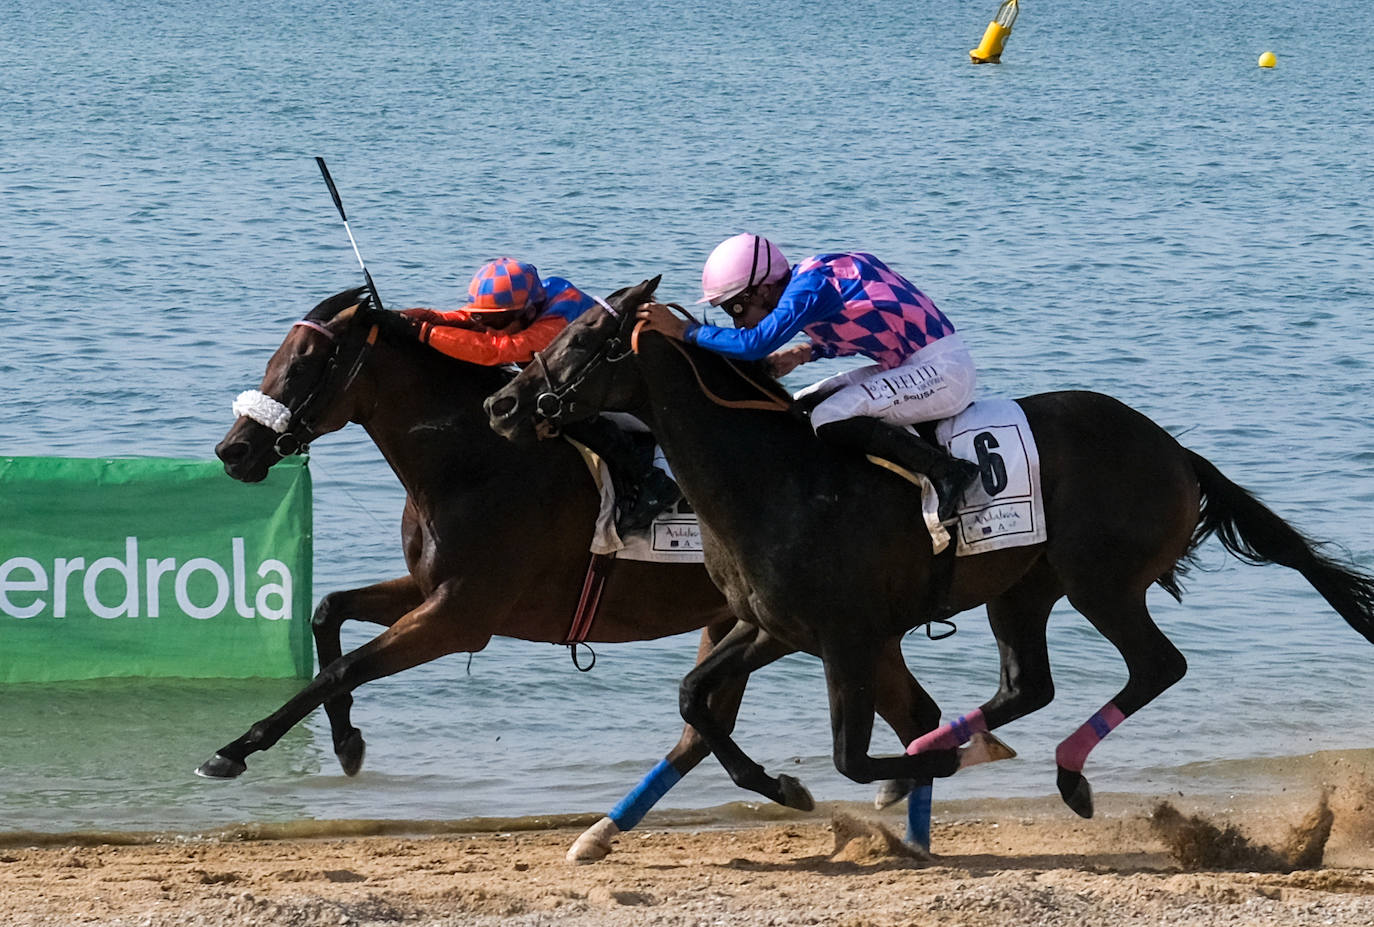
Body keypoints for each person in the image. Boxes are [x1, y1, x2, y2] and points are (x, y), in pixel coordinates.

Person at [636, 234, 980, 524]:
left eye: (735, 309)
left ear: (762, 290)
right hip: (906, 364)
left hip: (943, 371)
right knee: (801, 406)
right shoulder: (813, 276)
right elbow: (868, 319)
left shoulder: (809, 287)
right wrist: (807, 353)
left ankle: (947, 471)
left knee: (829, 417)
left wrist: (682, 330)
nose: (738, 322)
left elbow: (755, 345)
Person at [402, 257, 680, 533]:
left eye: (496, 320)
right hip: (594, 385)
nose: (487, 327)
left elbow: (497, 350)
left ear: (529, 310)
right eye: (482, 317)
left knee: (577, 418)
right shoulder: (532, 298)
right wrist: (424, 317)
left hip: (643, 401)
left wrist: (424, 333)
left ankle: (651, 484)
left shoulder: (558, 320)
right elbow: (466, 319)